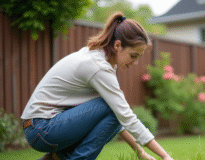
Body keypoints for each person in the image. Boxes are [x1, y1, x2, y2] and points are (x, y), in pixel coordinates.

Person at [21, 12, 174, 160]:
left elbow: (115, 120)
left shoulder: (99, 59)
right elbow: (123, 115)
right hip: (42, 128)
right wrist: (164, 156)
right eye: (133, 56)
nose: (135, 62)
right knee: (113, 108)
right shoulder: (98, 67)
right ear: (118, 45)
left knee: (113, 109)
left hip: (40, 127)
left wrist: (140, 152)